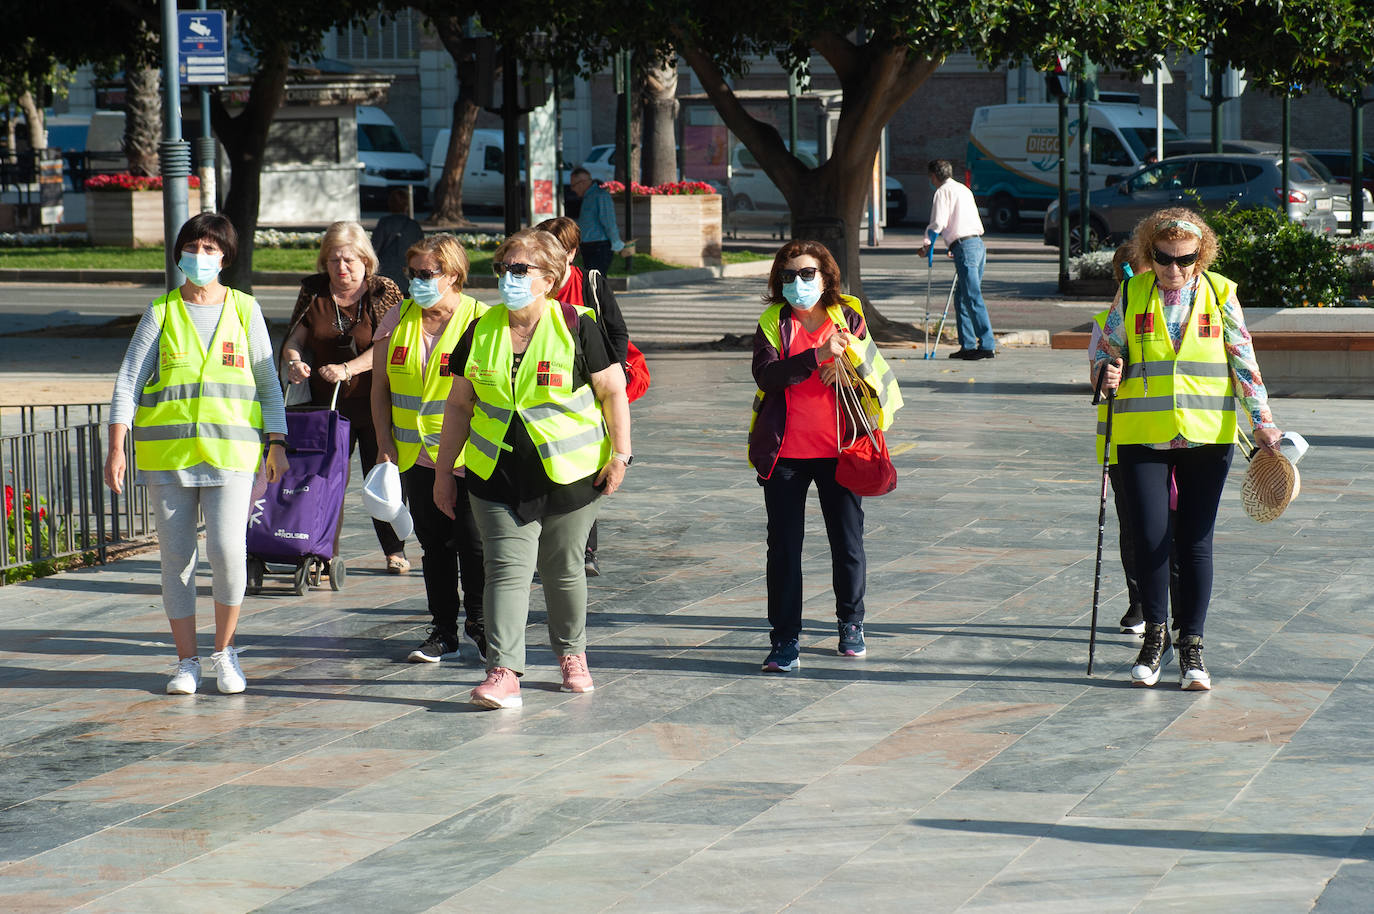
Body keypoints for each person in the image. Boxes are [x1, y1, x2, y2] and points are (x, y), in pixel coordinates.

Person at [432, 228, 632, 710]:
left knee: (563, 569)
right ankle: (503, 672)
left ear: (550, 277)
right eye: (503, 268)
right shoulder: (481, 327)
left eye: (521, 269)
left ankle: (572, 655)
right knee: (505, 571)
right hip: (495, 473)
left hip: (571, 474)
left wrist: (620, 454)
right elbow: (459, 405)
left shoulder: (578, 323)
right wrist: (443, 470)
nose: (508, 277)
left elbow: (612, 392)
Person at [1096, 208, 1282, 691]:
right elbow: (1106, 347)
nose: (1173, 268)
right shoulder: (1133, 291)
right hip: (1142, 435)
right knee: (1150, 536)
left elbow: (1244, 361)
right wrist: (1106, 367)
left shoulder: (1221, 292)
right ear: (1147, 253)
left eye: (1185, 259)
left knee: (1195, 541)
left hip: (1207, 434)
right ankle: (1154, 636)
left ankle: (1192, 645)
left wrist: (1262, 422)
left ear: (1202, 256)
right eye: (1163, 258)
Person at [104, 212, 289, 695]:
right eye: (193, 248)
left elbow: (268, 383)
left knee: (229, 552)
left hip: (233, 454)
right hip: (168, 459)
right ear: (180, 253)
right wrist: (116, 445)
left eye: (210, 250)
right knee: (176, 560)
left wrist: (278, 443)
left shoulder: (245, 310)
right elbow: (129, 380)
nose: (200, 257)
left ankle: (225, 653)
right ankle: (186, 662)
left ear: (225, 257)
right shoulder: (160, 312)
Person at [748, 240, 904, 672]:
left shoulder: (847, 317)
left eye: (807, 274)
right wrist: (815, 358)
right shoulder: (773, 322)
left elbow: (876, 376)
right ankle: (784, 640)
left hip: (841, 450)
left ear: (826, 277)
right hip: (786, 455)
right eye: (788, 275)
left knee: (847, 541)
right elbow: (766, 375)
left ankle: (851, 623)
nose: (798, 283)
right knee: (783, 550)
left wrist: (847, 370)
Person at [370, 233, 489, 663]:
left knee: (474, 544)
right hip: (414, 453)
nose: (417, 282)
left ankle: (480, 622)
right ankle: (443, 630)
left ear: (453, 275)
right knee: (434, 545)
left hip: (468, 454)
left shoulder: (481, 319)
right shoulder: (398, 317)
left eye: (427, 274)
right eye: (413, 273)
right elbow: (380, 388)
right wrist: (384, 440)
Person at [281, 221, 409, 574]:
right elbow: (295, 340)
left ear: (366, 261)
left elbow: (392, 347)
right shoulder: (314, 293)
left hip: (377, 403)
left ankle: (394, 550)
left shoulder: (384, 292)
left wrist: (349, 368)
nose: (341, 268)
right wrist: (294, 362)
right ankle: (322, 552)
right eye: (334, 260)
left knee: (382, 472)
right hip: (329, 409)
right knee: (323, 482)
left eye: (350, 260)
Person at [536, 215, 630, 577]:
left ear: (572, 253)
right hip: (543, 394)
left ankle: (585, 549)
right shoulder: (531, 288)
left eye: (554, 251)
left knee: (584, 466)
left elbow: (618, 331)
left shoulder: (590, 283)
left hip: (589, 393)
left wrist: (613, 372)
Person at [920, 159, 995, 360]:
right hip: (975, 244)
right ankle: (968, 345)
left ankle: (986, 344)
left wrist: (928, 244)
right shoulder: (963, 189)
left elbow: (938, 222)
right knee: (962, 297)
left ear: (934, 176)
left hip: (965, 246)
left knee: (971, 295)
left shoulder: (942, 192)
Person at [569, 167, 625, 274]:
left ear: (582, 183)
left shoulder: (600, 196)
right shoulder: (588, 197)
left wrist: (616, 243)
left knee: (596, 282)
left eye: (573, 185)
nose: (572, 189)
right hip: (589, 246)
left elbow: (609, 222)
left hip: (599, 247)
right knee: (592, 282)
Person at [371, 188, 425, 291]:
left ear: (390, 204)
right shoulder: (414, 225)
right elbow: (422, 250)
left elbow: (374, 248)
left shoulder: (384, 223)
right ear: (406, 206)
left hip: (385, 275)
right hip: (407, 275)